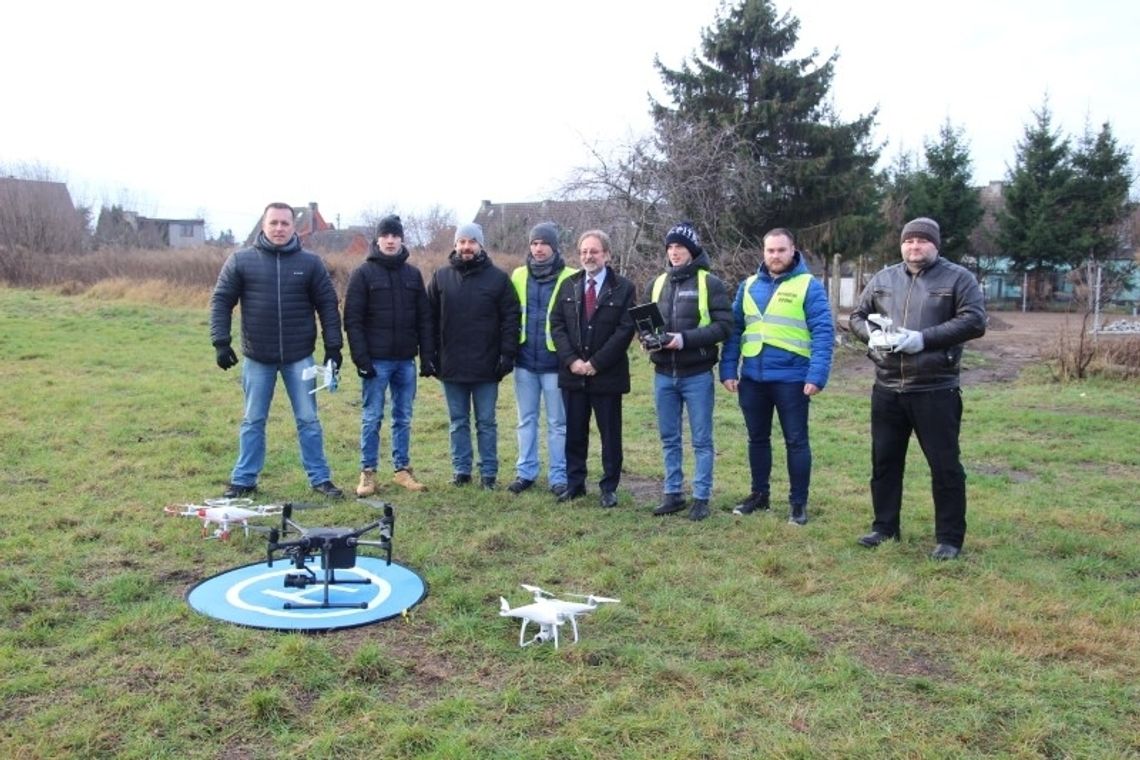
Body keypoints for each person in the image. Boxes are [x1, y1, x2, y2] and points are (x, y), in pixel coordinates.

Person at [849, 217, 987, 560]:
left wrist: (922, 339)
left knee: (944, 466)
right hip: (887, 387)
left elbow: (974, 320)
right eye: (908, 241)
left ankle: (949, 539)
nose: (914, 247)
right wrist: (872, 335)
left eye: (922, 241)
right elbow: (856, 316)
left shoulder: (958, 278)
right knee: (884, 462)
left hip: (935, 388)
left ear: (935, 245)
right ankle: (884, 527)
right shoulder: (883, 279)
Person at [209, 202, 345, 499]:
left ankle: (320, 479)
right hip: (258, 357)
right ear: (264, 225)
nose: (279, 228)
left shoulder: (310, 263)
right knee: (253, 420)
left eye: (285, 223)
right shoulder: (241, 261)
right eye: (274, 223)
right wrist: (221, 341)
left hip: (300, 357)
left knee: (308, 420)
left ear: (293, 227)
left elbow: (328, 306)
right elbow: (221, 300)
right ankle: (244, 479)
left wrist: (334, 347)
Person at [719, 227, 834, 525]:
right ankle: (759, 495)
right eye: (770, 250)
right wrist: (728, 368)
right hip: (753, 378)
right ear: (763, 253)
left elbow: (823, 332)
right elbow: (735, 330)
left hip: (793, 378)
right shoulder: (748, 285)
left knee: (796, 441)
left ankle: (798, 503)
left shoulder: (809, 285)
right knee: (757, 439)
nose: (776, 256)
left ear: (793, 250)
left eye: (781, 250)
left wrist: (817, 375)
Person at [643, 222, 733, 521]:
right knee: (669, 437)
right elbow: (646, 322)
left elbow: (723, 327)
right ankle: (673, 494)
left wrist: (683, 340)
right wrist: (648, 340)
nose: (674, 252)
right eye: (669, 247)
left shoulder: (711, 284)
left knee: (701, 440)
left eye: (679, 247)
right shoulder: (656, 284)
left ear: (692, 250)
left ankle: (701, 497)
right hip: (663, 374)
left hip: (697, 374)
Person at [343, 214, 436, 497]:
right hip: (376, 361)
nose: (391, 240)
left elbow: (424, 318)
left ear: (401, 239)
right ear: (378, 239)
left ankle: (402, 470)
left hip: (405, 361)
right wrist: (362, 359)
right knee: (372, 417)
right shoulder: (363, 274)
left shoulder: (413, 275)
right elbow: (353, 320)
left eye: (395, 235)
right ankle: (368, 474)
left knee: (403, 417)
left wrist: (427, 355)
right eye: (386, 235)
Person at [426, 222, 520, 489]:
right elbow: (429, 319)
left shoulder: (499, 279)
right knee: (458, 422)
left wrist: (507, 354)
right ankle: (461, 470)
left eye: (472, 242)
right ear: (455, 245)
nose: (466, 247)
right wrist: (429, 354)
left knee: (486, 422)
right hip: (451, 364)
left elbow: (511, 319)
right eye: (462, 242)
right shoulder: (441, 277)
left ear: (481, 245)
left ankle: (488, 473)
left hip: (487, 365)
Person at [549, 229, 636, 508]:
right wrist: (572, 361)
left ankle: (609, 487)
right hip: (573, 374)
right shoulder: (568, 285)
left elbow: (624, 331)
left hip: (606, 375)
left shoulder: (623, 288)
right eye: (584, 251)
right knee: (575, 432)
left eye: (594, 251)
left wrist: (596, 363)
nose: (589, 256)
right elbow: (557, 325)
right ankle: (575, 485)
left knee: (610, 435)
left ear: (607, 255)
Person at [507, 223, 576, 497]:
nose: (538, 248)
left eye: (543, 243)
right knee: (526, 420)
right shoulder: (519, 275)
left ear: (554, 246)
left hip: (556, 363)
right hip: (524, 361)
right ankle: (526, 472)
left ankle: (558, 476)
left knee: (558, 423)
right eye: (534, 243)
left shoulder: (571, 276)